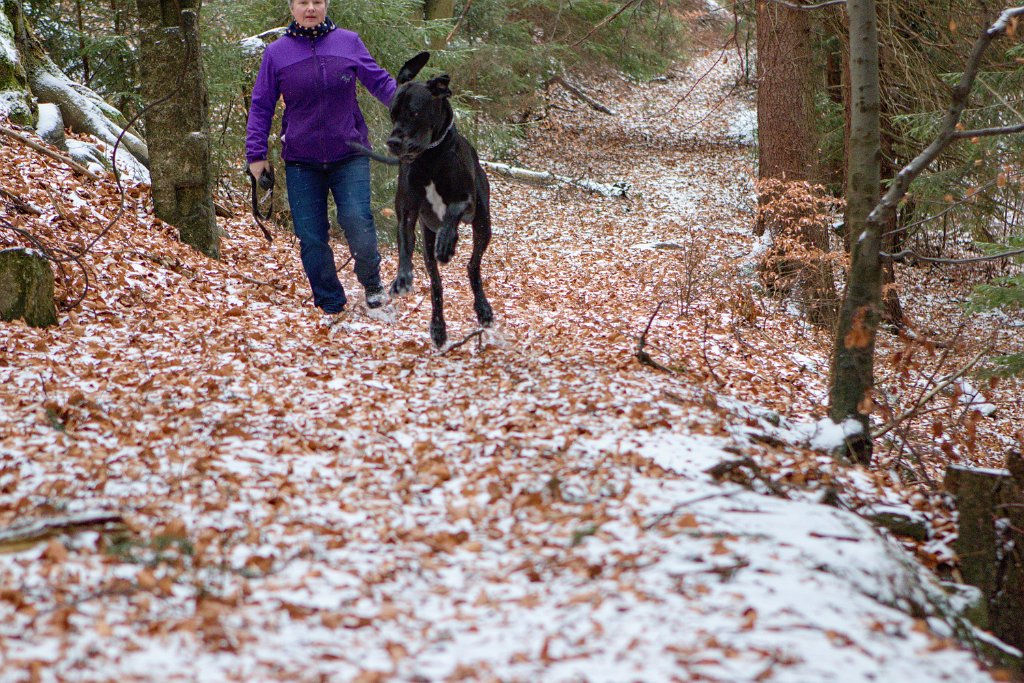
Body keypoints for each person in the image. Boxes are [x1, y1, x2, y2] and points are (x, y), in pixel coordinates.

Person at [246, 0, 396, 315]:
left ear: (326, 5)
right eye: (303, 2)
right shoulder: (277, 53)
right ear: (292, 7)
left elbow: (380, 83)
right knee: (311, 235)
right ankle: (330, 302)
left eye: (317, 1)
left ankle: (372, 285)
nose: (310, 8)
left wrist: (411, 105)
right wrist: (256, 155)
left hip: (350, 153)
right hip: (302, 160)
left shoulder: (348, 42)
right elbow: (261, 105)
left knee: (357, 219)